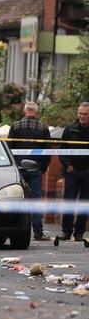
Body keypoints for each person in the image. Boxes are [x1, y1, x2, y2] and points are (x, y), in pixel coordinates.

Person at [8, 101, 51, 241]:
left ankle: (12, 229)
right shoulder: (43, 128)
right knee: (35, 201)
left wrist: (13, 167)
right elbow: (47, 152)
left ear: (24, 111)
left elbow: (9, 149)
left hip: (18, 170)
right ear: (36, 112)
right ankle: (38, 231)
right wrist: (42, 168)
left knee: (17, 199)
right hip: (35, 169)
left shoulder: (15, 126)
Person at [59, 102, 89, 241]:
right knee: (69, 201)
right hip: (72, 172)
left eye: (85, 114)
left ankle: (79, 233)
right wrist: (67, 166)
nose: (82, 116)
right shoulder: (70, 130)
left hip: (87, 173)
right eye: (80, 113)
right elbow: (62, 150)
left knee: (85, 203)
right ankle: (66, 231)